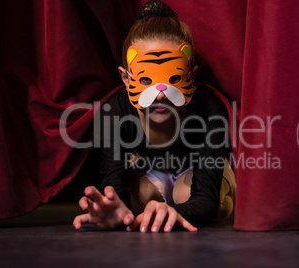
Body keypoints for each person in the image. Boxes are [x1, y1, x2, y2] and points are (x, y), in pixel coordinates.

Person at [73, 0, 235, 233]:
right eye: (146, 80)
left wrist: (177, 211)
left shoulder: (208, 107)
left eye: (174, 79)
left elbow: (206, 200)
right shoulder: (115, 111)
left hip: (196, 178)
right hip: (148, 178)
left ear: (192, 75)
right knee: (145, 199)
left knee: (209, 200)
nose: (160, 96)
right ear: (126, 79)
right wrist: (118, 213)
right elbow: (115, 189)